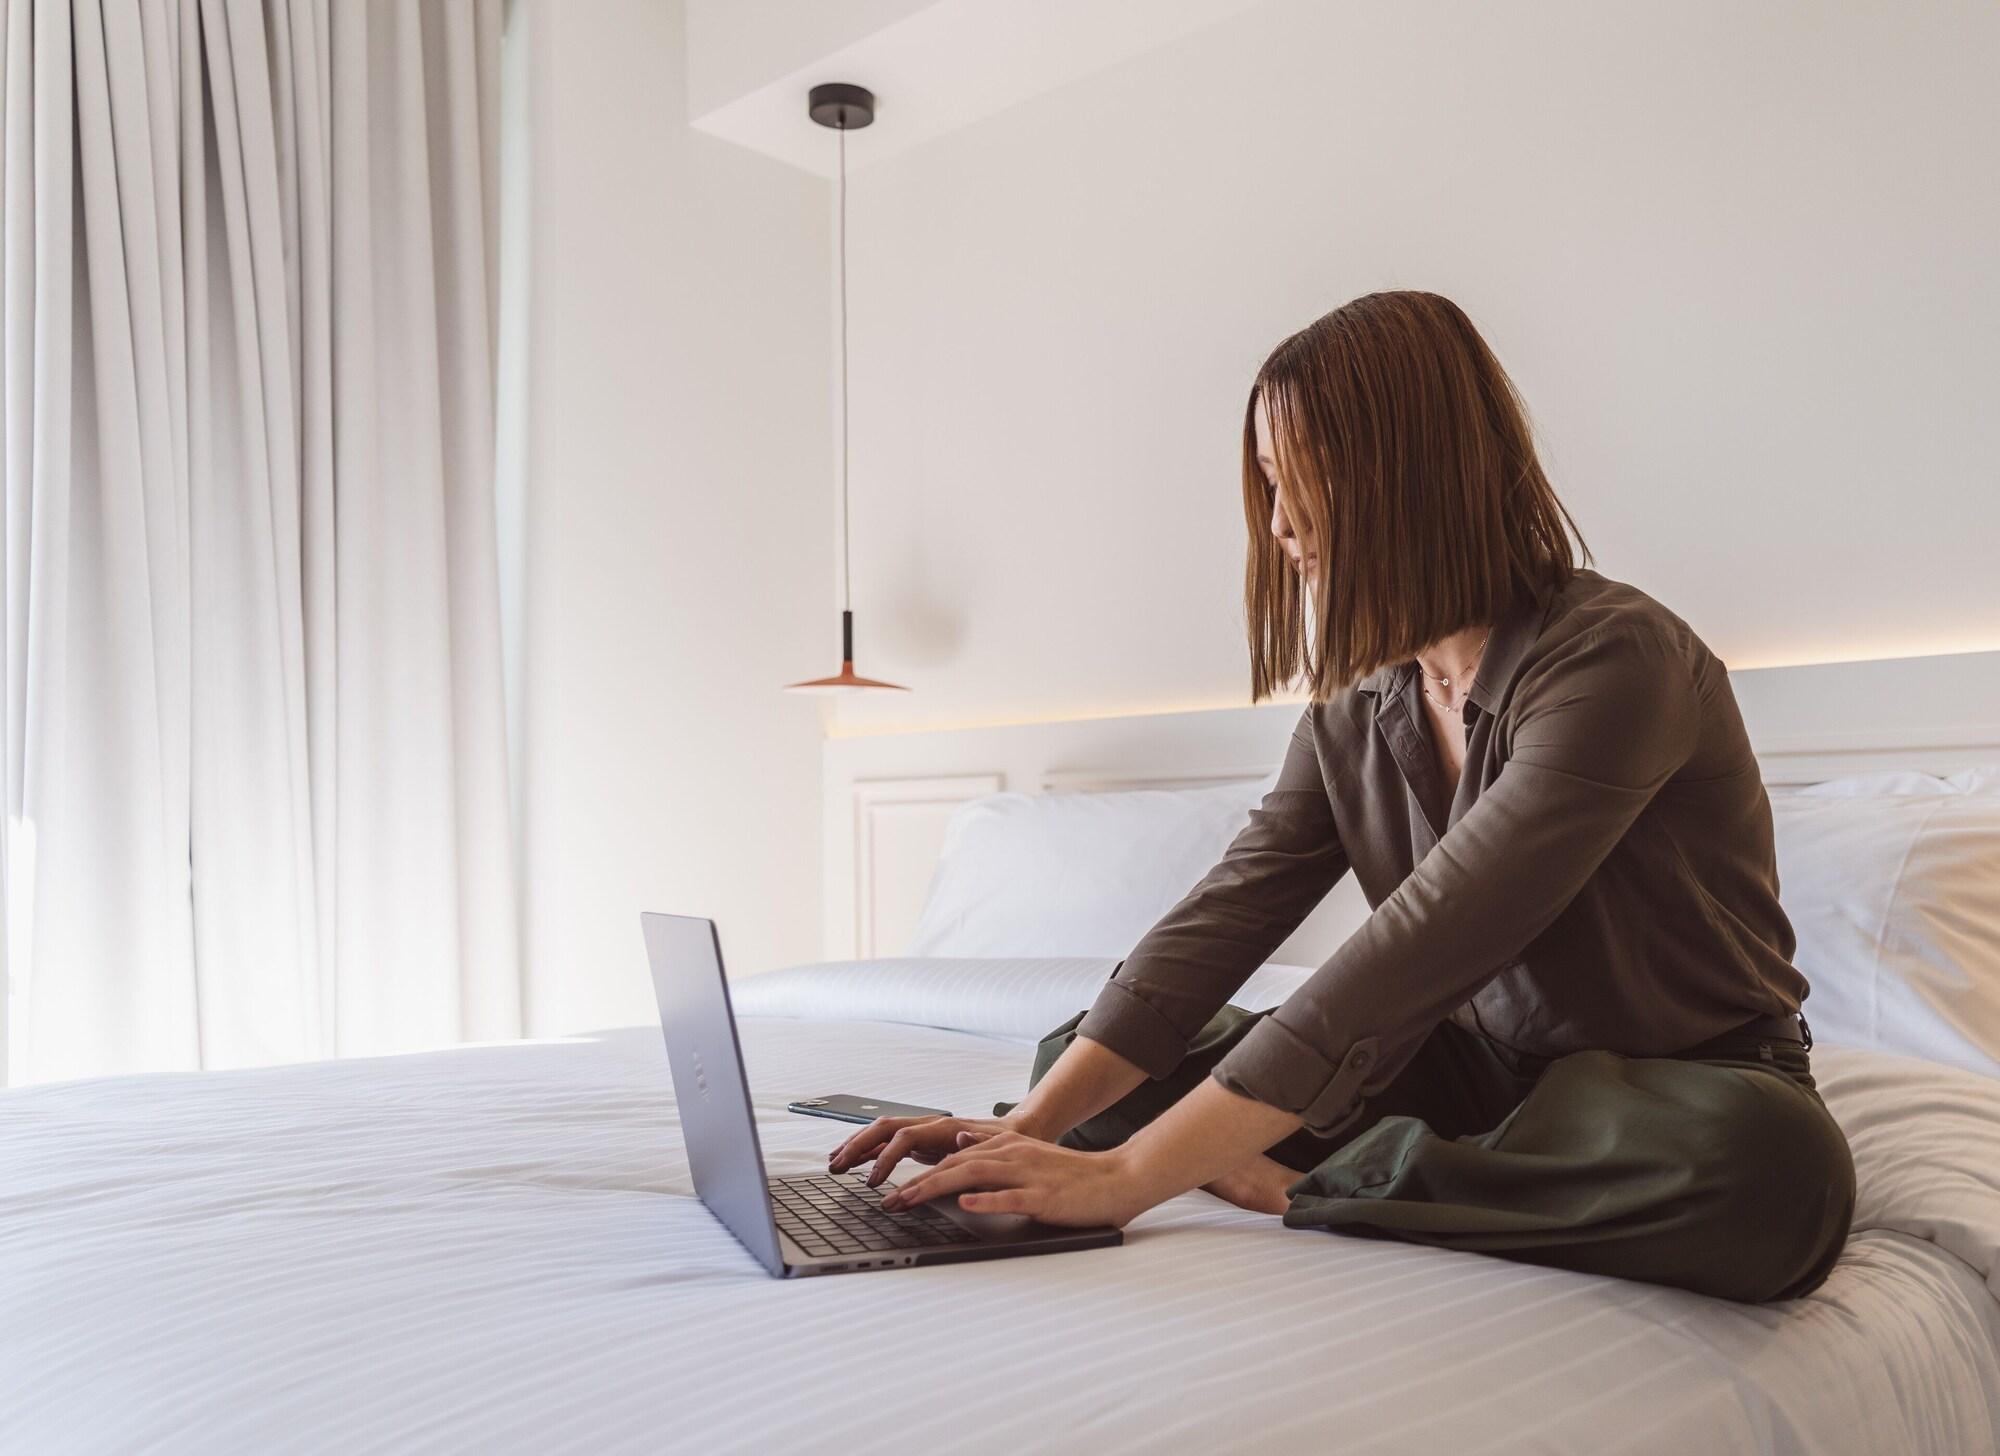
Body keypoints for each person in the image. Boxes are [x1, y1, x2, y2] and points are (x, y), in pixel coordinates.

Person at [827, 289, 1856, 1303]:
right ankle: (1426, 1179)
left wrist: (1132, 1175)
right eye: (1268, 487)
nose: (1279, 525)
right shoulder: (1357, 705)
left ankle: (1308, 1188)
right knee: (1088, 1052)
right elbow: (1229, 910)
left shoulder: (1616, 661)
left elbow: (1415, 948)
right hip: (1472, 1075)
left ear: (1407, 475)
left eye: (1299, 483)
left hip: (1674, 1086)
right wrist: (1029, 1127)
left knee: (1775, 1172)